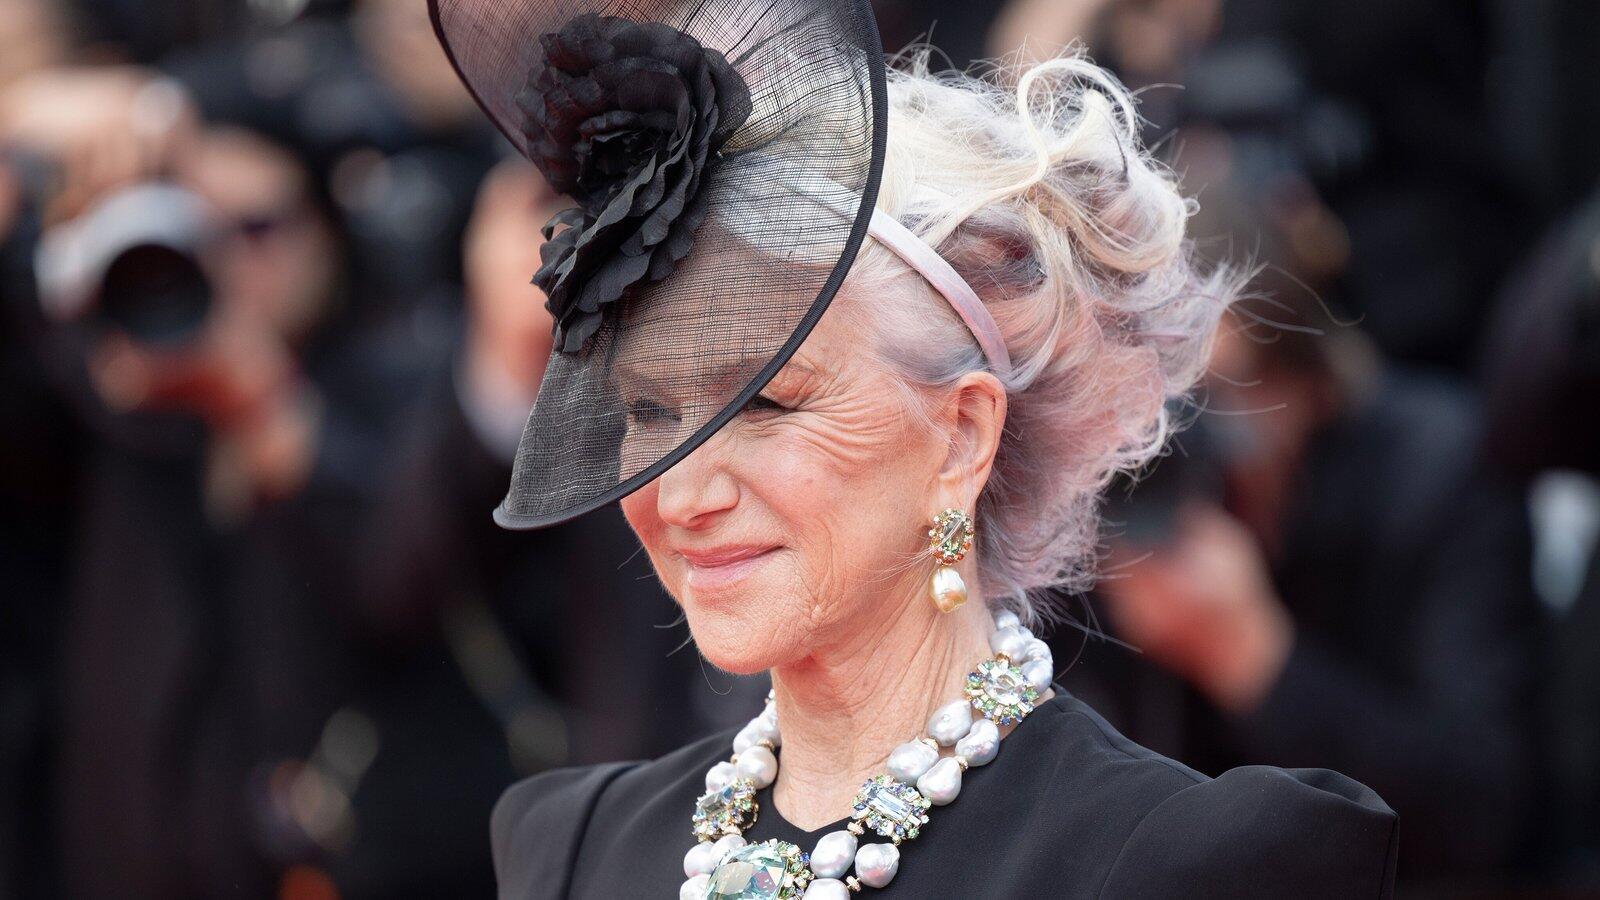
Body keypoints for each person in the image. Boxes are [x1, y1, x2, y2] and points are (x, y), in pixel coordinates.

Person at [429, 0, 1397, 896]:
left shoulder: (1162, 861)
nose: (681, 494)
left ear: (961, 436)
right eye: (647, 410)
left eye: (766, 402)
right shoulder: (575, 848)